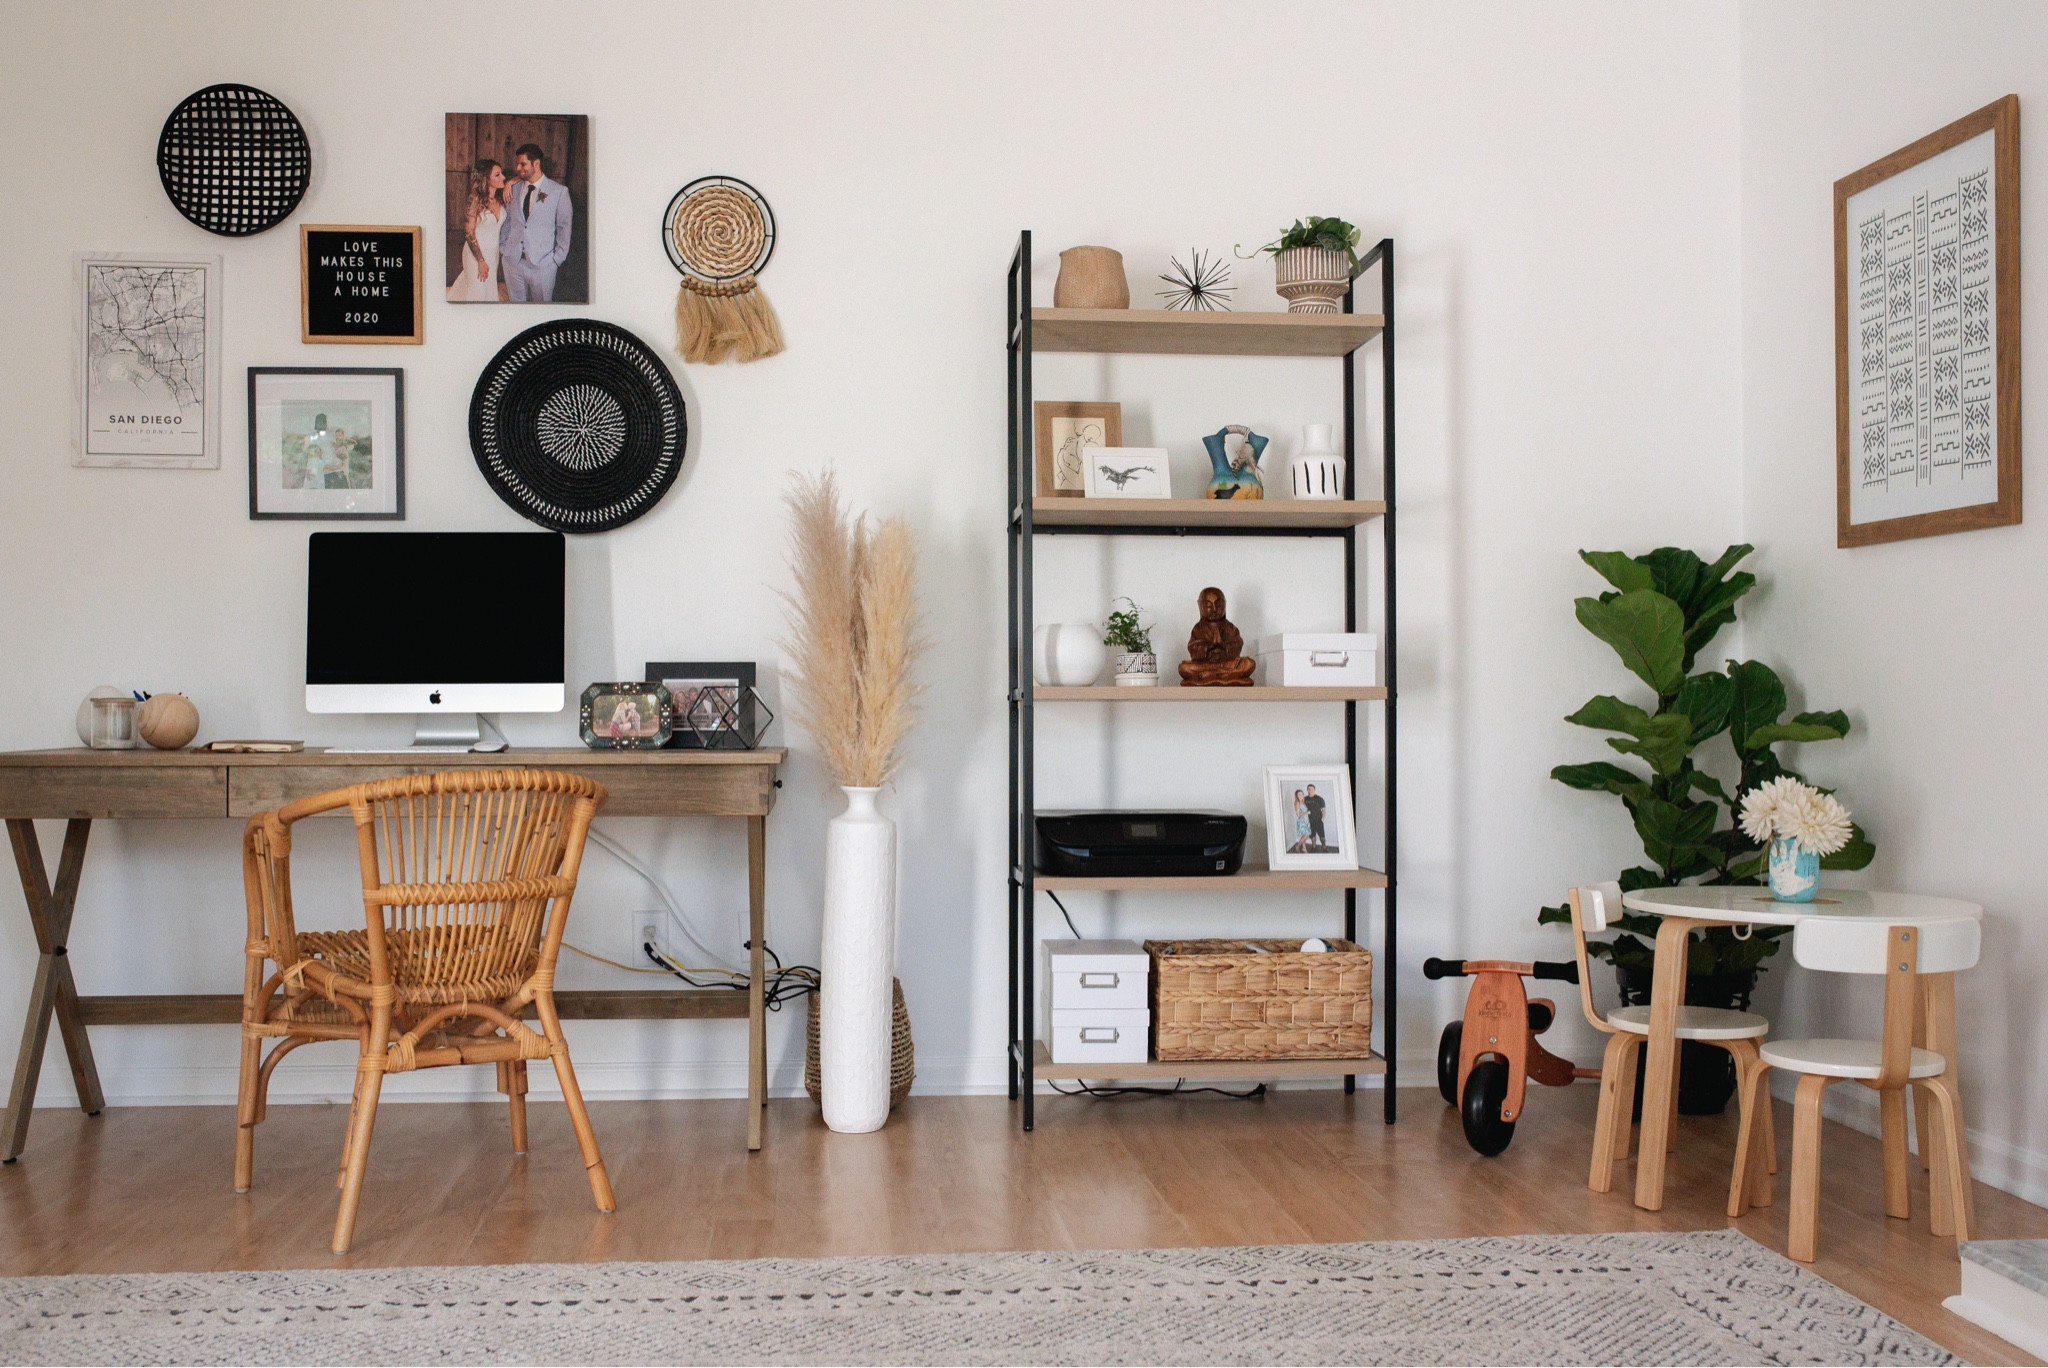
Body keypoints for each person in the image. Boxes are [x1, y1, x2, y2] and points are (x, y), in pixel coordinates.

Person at [498, 142, 573, 303]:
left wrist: (556, 260)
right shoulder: (513, 188)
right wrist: (504, 248)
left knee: (542, 311)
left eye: (523, 164)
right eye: (517, 164)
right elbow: (507, 220)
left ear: (536, 164)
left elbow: (564, 227)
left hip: (543, 266)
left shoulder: (559, 192)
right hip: (513, 263)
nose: (518, 168)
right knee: (517, 310)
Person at [446, 159, 505, 302]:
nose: (503, 177)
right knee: (476, 291)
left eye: (502, 174)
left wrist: (509, 183)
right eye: (497, 175)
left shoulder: (499, 199)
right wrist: (481, 261)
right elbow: (469, 232)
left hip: (493, 253)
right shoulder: (474, 199)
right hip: (476, 255)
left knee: (489, 290)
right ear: (486, 178)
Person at [1304, 784, 1327, 851]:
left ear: (1314, 790)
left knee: (1322, 835)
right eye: (1309, 789)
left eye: (1312, 789)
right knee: (1312, 835)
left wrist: (1322, 818)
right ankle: (1314, 847)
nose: (1310, 791)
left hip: (1318, 820)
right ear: (1307, 790)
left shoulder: (1319, 799)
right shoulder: (1305, 799)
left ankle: (1324, 847)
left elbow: (1324, 809)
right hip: (1309, 821)